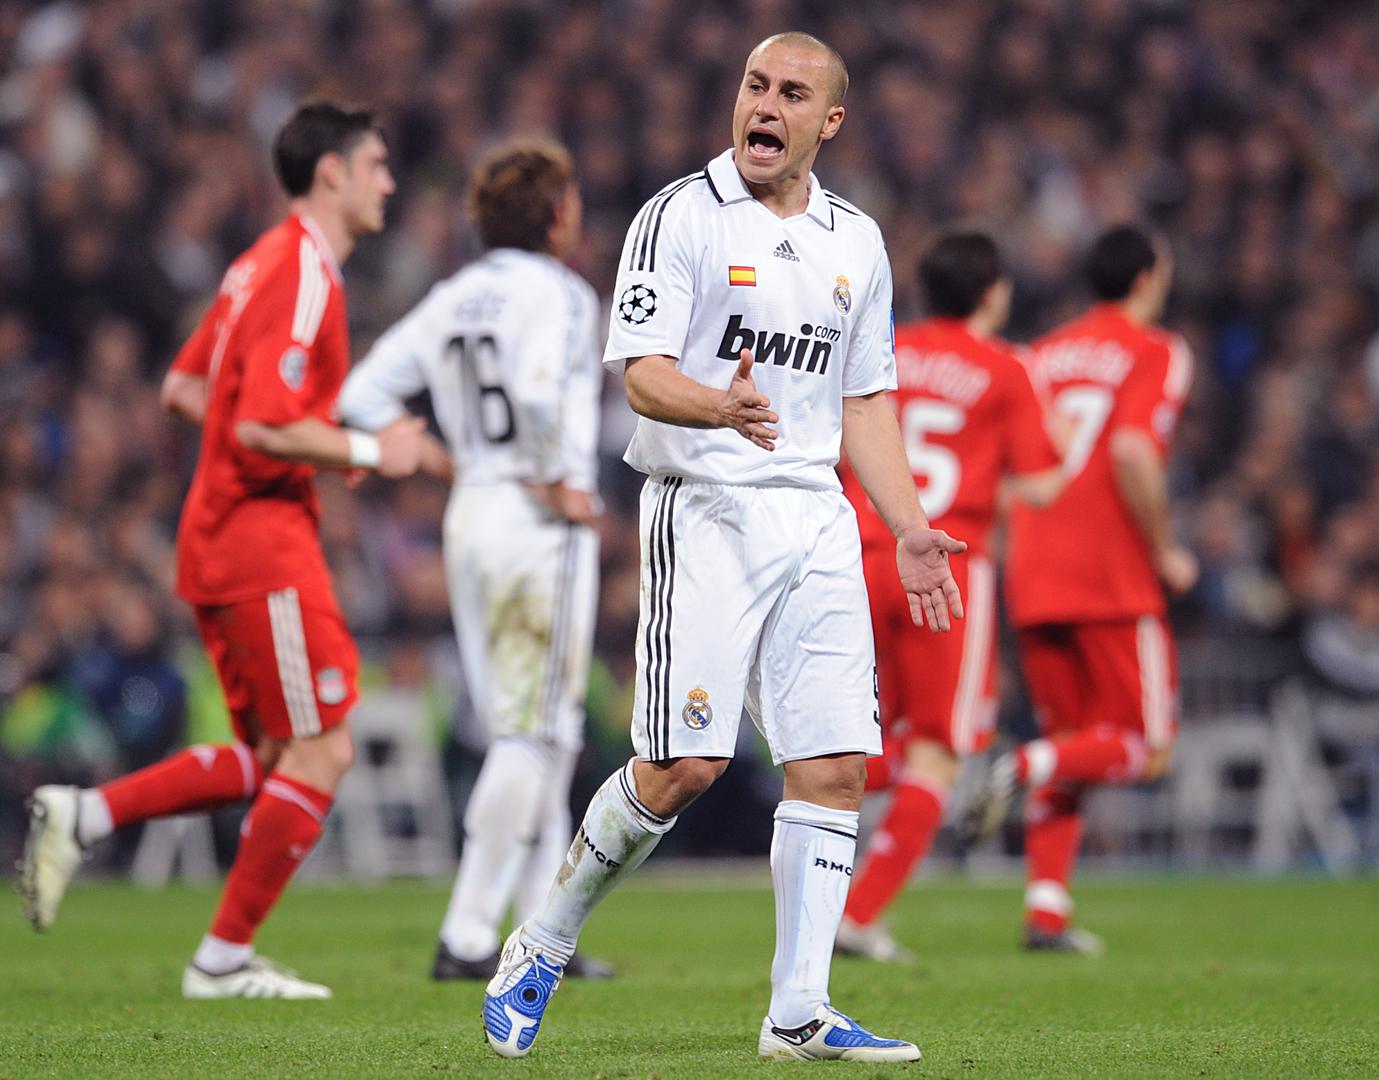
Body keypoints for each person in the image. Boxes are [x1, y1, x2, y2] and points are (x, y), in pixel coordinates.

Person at [480, 32, 965, 1064]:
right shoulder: (679, 216)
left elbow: (864, 400)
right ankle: (543, 939)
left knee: (835, 767)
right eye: (754, 85)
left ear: (828, 122)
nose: (766, 106)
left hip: (816, 517)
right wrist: (720, 407)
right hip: (705, 508)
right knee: (682, 767)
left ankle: (798, 1010)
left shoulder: (855, 240)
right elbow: (640, 374)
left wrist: (908, 526)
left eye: (791, 93)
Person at [18, 101, 425, 998]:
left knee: (276, 759)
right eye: (376, 164)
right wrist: (364, 448)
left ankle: (87, 815)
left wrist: (292, 442)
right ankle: (222, 959)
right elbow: (259, 424)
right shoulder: (305, 274)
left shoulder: (254, 264)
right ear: (331, 172)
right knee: (324, 753)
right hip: (262, 545)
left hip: (220, 539)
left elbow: (182, 387)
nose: (389, 183)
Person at [336, 138, 612, 982]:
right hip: (535, 521)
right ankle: (465, 935)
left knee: (537, 735)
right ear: (556, 213)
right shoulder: (562, 294)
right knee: (533, 733)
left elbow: (360, 395)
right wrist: (556, 480)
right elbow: (534, 390)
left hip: (471, 517)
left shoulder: (452, 295)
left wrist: (428, 454)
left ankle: (543, 932)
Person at [963, 223, 1198, 954]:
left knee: (1075, 744)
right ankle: (1023, 763)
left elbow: (1007, 472)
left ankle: (1046, 910)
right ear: (1148, 277)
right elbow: (1130, 448)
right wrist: (1164, 550)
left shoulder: (1039, 357)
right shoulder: (1157, 349)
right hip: (1113, 576)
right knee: (1144, 748)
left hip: (1035, 573)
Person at [835, 230, 1064, 963]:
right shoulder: (1004, 367)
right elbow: (1038, 486)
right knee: (937, 754)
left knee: (865, 738)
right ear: (992, 293)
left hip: (857, 553)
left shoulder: (881, 349)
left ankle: (802, 815)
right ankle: (858, 916)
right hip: (944, 567)